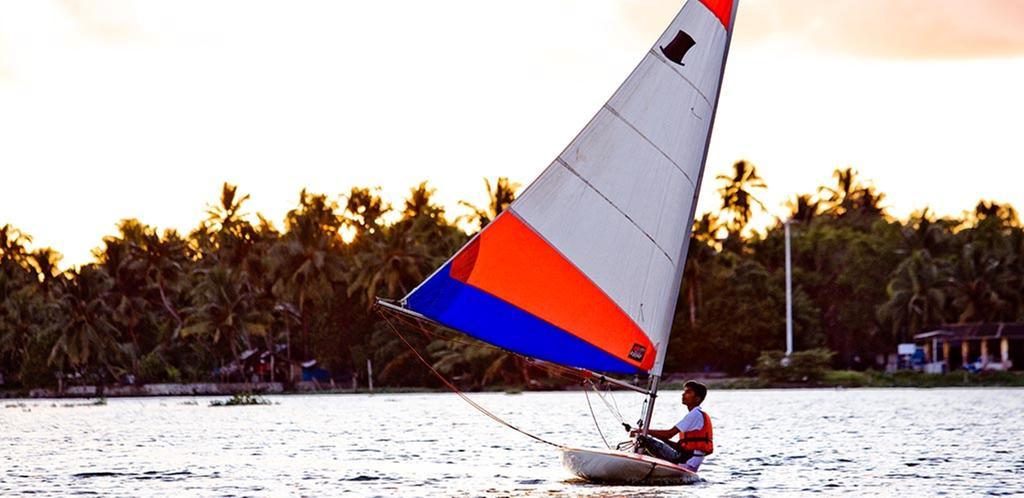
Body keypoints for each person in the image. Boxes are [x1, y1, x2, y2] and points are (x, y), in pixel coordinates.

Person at [630, 380, 713, 471]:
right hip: (688, 461)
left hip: (685, 461)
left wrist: (642, 431)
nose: (683, 394)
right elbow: (678, 446)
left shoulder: (695, 415)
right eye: (684, 391)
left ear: (697, 398)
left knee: (643, 439)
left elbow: (669, 434)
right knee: (646, 438)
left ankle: (632, 466)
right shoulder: (698, 415)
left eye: (688, 392)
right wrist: (656, 437)